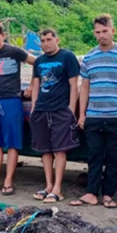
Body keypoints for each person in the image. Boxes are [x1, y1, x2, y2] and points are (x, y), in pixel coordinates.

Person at [70, 14, 117, 208]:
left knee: (115, 157)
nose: (101, 35)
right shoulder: (90, 57)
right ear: (94, 33)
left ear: (113, 31)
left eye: (105, 31)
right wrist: (82, 114)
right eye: (98, 32)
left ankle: (108, 194)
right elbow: (84, 87)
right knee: (94, 156)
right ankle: (91, 193)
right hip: (93, 115)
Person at [0, 21, 36, 196]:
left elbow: (37, 64)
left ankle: (8, 180)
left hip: (12, 100)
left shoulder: (14, 51)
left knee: (12, 143)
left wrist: (32, 85)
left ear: (3, 36)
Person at [29, 28, 80, 203]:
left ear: (57, 40)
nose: (45, 43)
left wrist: (71, 110)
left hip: (60, 109)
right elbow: (35, 85)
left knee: (60, 149)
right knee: (45, 150)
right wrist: (34, 108)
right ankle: (48, 185)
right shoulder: (39, 61)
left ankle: (58, 188)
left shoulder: (67, 57)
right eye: (42, 41)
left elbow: (74, 85)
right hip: (42, 109)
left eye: (49, 40)